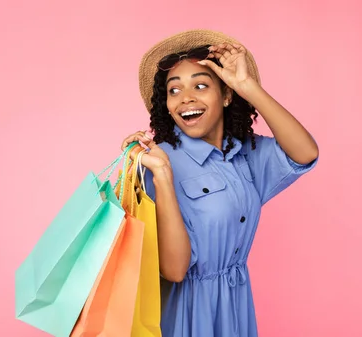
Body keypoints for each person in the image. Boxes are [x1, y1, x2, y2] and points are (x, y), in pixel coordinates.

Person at [121, 29, 318, 337]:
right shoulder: (156, 160)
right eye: (174, 90)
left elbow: (305, 153)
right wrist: (162, 174)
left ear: (226, 96)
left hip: (235, 303)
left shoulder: (245, 153)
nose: (186, 98)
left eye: (200, 85)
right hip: (185, 313)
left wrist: (247, 87)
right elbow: (174, 270)